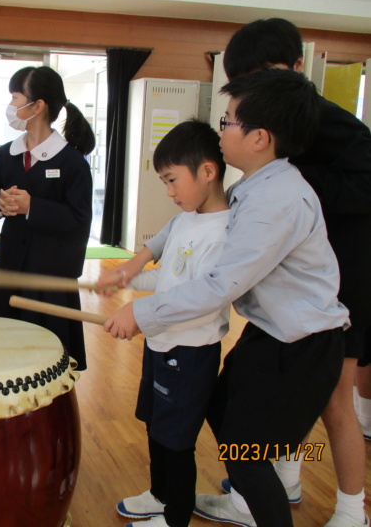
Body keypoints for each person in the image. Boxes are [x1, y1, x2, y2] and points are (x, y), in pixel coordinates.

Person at [100, 69, 349, 527]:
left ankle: (264, 501)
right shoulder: (251, 188)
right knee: (220, 411)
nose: (221, 129)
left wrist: (142, 309)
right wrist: (138, 263)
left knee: (249, 456)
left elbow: (219, 286)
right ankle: (247, 497)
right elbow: (184, 225)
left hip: (303, 344)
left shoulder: (277, 201)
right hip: (271, 332)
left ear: (259, 137)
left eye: (228, 121)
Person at [195, 18, 371, 527]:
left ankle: (350, 509)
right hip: (294, 278)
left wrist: (289, 179)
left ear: (299, 68)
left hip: (342, 277)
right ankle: (277, 484)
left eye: (263, 75)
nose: (253, 91)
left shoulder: (320, 123)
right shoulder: (268, 149)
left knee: (334, 399)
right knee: (279, 406)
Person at [98, 119, 229, 527]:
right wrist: (126, 278)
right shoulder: (188, 218)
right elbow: (169, 276)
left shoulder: (224, 232)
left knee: (177, 442)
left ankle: (175, 518)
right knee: (156, 427)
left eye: (173, 181)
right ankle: (159, 494)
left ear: (208, 171)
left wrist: (139, 315)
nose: (170, 193)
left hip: (190, 355)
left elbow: (203, 301)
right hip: (161, 344)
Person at [0, 65, 95, 369]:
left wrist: (33, 206)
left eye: (15, 98)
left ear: (38, 106)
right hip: (9, 267)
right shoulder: (6, 154)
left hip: (50, 276)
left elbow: (79, 219)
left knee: (46, 360)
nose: (11, 106)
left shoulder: (72, 161)